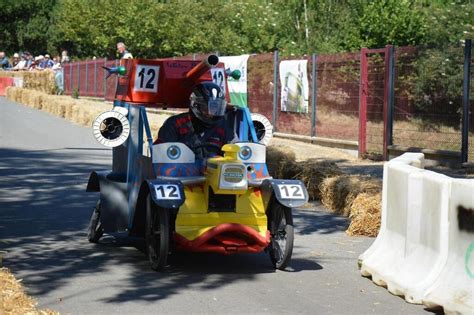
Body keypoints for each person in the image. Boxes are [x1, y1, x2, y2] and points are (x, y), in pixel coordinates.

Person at [155, 82, 235, 159]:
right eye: (205, 108)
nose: (210, 113)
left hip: (214, 171)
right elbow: (159, 155)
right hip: (181, 171)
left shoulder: (223, 126)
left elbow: (237, 150)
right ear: (195, 106)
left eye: (215, 108)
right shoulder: (176, 124)